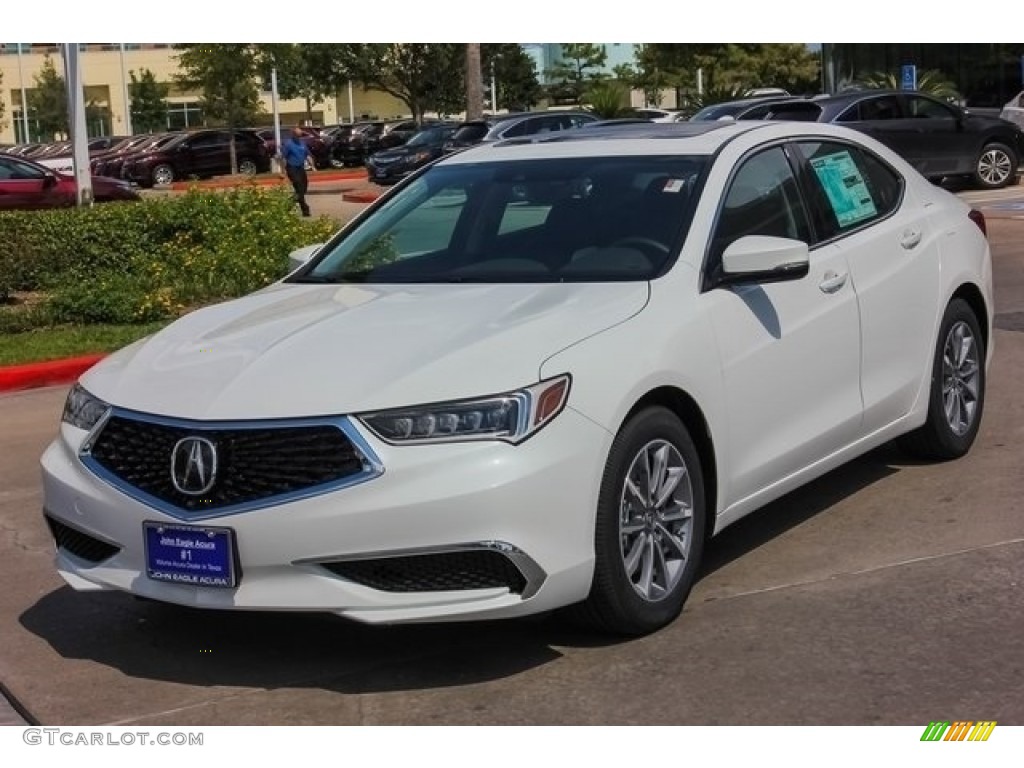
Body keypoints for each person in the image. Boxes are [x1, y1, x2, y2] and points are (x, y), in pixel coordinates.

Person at [280, 126, 312, 217]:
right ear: (293, 135)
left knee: (303, 189)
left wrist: (313, 166)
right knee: (299, 187)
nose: (299, 137)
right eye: (297, 135)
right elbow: (283, 158)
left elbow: (307, 155)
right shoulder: (288, 144)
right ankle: (305, 209)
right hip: (292, 168)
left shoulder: (302, 144)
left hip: (301, 168)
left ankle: (288, 205)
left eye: (300, 136)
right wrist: (283, 171)